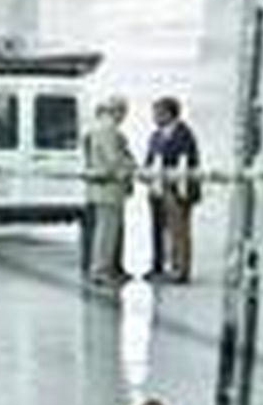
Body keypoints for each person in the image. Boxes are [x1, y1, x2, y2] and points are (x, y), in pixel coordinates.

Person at [143, 96, 200, 284]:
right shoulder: (155, 136)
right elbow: (149, 161)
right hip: (158, 190)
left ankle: (181, 269)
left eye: (158, 113)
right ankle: (158, 266)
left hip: (178, 191)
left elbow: (188, 163)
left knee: (179, 231)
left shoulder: (184, 134)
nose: (155, 117)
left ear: (170, 113)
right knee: (158, 230)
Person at [82, 95, 135, 287]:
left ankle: (102, 268)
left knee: (104, 231)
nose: (124, 117)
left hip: (102, 189)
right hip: (109, 189)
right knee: (107, 233)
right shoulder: (108, 129)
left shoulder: (98, 127)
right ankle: (101, 270)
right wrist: (129, 168)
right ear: (117, 110)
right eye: (123, 112)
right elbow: (113, 159)